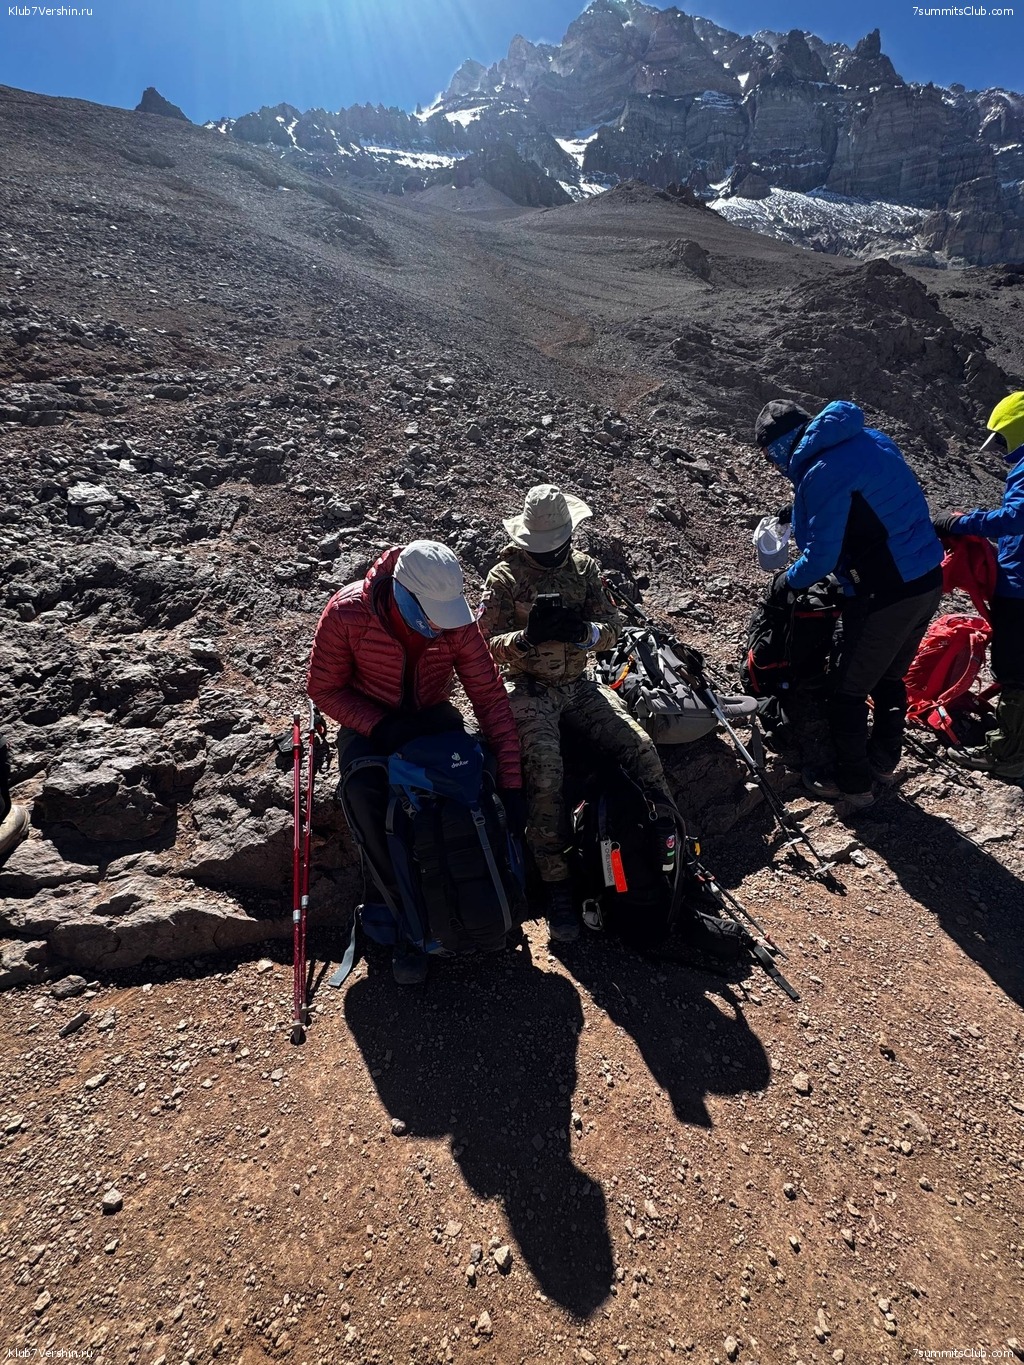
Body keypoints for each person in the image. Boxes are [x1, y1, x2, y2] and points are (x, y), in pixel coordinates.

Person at [307, 540, 523, 983]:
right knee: (366, 795)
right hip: (370, 723)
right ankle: (405, 918)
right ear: (400, 591)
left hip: (431, 716)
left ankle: (489, 898)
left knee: (474, 781)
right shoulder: (347, 613)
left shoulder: (456, 622)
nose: (438, 625)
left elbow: (488, 697)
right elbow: (324, 689)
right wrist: (380, 726)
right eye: (430, 615)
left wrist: (512, 782)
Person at [478, 485, 676, 943]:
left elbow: (614, 628)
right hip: (527, 686)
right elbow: (483, 645)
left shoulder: (585, 568)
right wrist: (526, 639)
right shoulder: (504, 577)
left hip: (579, 684)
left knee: (639, 747)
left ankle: (664, 839)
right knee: (545, 772)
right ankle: (558, 885)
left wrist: (584, 632)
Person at [754, 399, 943, 809]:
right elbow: (865, 499)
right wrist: (797, 510)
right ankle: (883, 761)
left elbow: (821, 558)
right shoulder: (870, 439)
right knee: (889, 676)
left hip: (885, 592)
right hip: (927, 579)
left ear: (783, 445)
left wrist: (785, 583)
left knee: (847, 690)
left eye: (771, 456)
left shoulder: (820, 472)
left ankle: (852, 784)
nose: (774, 465)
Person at [932, 391, 1024, 779]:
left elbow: (1017, 517)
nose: (1001, 447)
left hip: (1020, 587)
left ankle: (1009, 754)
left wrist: (962, 523)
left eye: (1002, 437)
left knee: (1014, 669)